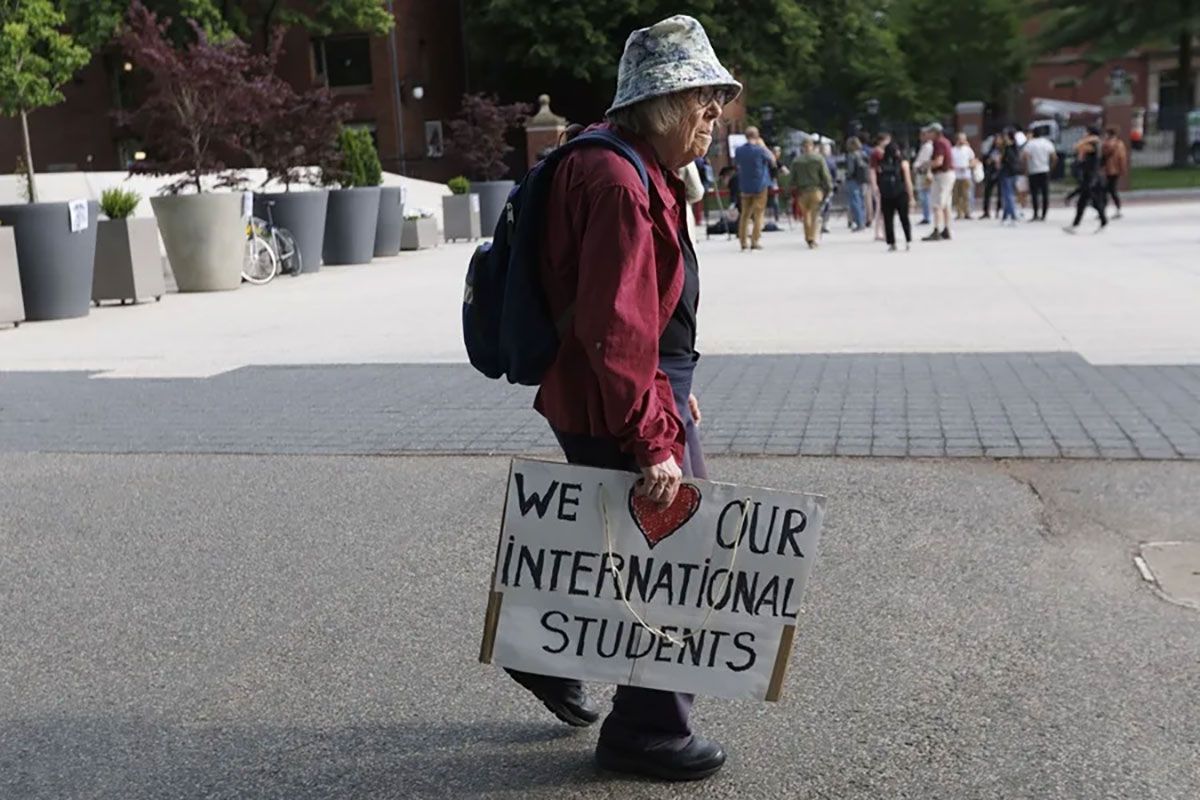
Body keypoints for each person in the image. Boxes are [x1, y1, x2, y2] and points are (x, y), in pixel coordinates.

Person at [516, 14, 741, 781]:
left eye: (716, 98)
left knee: (619, 539)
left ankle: (547, 645)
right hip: (617, 394)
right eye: (701, 98)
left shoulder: (625, 162)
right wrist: (656, 439)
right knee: (678, 550)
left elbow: (646, 309)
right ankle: (648, 730)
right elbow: (617, 328)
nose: (714, 114)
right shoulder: (617, 179)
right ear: (659, 102)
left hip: (627, 387)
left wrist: (682, 388)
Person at [734, 125, 776, 250]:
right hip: (760, 185)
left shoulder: (739, 150)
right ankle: (754, 241)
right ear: (757, 136)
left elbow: (737, 163)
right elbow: (773, 160)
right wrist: (763, 145)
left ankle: (743, 242)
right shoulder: (760, 150)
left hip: (745, 186)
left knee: (745, 215)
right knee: (758, 214)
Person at [1064, 125, 1108, 234]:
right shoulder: (1094, 143)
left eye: (1086, 132)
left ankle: (1103, 219)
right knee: (1082, 202)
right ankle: (1076, 224)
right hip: (1089, 176)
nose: (1084, 134)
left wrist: (1086, 139)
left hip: (1091, 177)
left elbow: (1076, 146)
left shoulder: (1094, 144)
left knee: (1092, 200)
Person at [790, 137, 833, 248]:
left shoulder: (796, 161)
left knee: (806, 216)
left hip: (802, 192)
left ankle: (808, 237)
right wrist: (829, 188)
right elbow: (825, 176)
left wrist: (791, 191)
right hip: (816, 190)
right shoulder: (818, 159)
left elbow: (792, 179)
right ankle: (813, 238)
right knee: (815, 216)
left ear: (802, 148)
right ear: (813, 146)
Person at [876, 137, 915, 251]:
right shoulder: (903, 164)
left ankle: (892, 243)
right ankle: (908, 240)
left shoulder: (881, 164)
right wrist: (911, 197)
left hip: (886, 195)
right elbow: (908, 181)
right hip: (901, 193)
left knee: (888, 219)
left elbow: (878, 180)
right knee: (904, 218)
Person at [921, 122, 955, 241]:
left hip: (942, 175)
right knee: (946, 204)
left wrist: (925, 165)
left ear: (935, 133)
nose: (927, 134)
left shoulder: (939, 143)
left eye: (929, 132)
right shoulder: (945, 141)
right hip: (947, 175)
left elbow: (939, 161)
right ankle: (946, 229)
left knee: (938, 204)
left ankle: (936, 230)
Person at [1022, 127, 1056, 221]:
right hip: (1044, 170)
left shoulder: (1030, 144)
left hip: (1033, 171)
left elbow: (1024, 157)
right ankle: (1044, 214)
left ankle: (1036, 214)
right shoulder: (1047, 143)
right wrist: (1051, 168)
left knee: (1034, 194)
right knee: (1045, 193)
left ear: (1033, 134)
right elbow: (1054, 157)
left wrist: (1026, 169)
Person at [868, 131, 891, 241]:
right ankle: (881, 232)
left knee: (882, 209)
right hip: (880, 182)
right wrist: (874, 184)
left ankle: (881, 232)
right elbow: (872, 169)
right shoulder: (876, 153)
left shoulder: (884, 152)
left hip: (885, 181)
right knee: (881, 209)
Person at [1102, 127, 1128, 219]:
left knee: (1106, 191)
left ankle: (1103, 210)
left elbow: (1103, 155)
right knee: (1112, 191)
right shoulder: (1120, 144)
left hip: (1107, 170)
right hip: (1116, 170)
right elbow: (1122, 158)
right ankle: (1117, 209)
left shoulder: (1106, 144)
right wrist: (1122, 169)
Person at [843, 136, 868, 230]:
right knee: (861, 201)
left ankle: (859, 223)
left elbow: (850, 170)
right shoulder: (863, 154)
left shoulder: (851, 155)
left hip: (853, 180)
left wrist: (846, 175)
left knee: (854, 202)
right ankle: (863, 221)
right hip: (862, 179)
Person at [951, 132, 975, 220]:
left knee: (967, 195)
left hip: (966, 175)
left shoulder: (968, 149)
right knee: (957, 195)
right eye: (961, 139)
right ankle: (959, 212)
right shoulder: (952, 150)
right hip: (956, 175)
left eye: (964, 139)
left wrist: (968, 166)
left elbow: (973, 160)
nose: (963, 141)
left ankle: (967, 212)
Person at [998, 129, 1020, 225]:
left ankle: (1013, 216)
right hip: (1013, 173)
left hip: (1007, 173)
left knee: (1008, 195)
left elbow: (1007, 160)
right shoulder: (1015, 147)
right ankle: (1005, 216)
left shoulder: (1008, 148)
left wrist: (1001, 161)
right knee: (1008, 194)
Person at [912, 129, 933, 225]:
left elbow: (926, 161)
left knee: (925, 195)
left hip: (924, 172)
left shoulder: (928, 146)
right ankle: (926, 215)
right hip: (921, 172)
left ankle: (927, 216)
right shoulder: (924, 146)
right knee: (924, 195)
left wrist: (919, 167)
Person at [980, 134, 1001, 219]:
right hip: (990, 173)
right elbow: (985, 160)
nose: (997, 141)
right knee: (987, 193)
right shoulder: (990, 150)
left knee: (1000, 194)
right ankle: (986, 211)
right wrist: (990, 160)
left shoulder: (1003, 150)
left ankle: (998, 211)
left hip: (999, 173)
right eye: (996, 140)